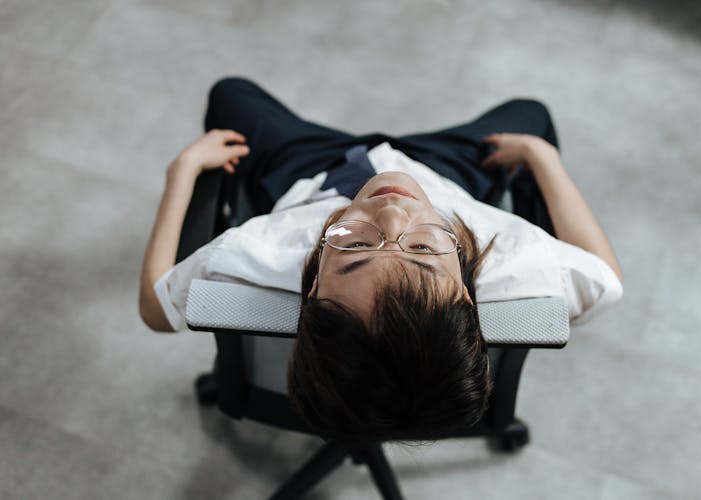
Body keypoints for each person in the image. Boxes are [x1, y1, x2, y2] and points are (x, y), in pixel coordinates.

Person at [138, 77, 623, 443]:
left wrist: (181, 173)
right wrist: (542, 159)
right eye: (423, 248)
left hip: (312, 177)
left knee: (230, 94)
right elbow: (605, 277)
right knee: (531, 114)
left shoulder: (257, 251)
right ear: (464, 292)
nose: (391, 212)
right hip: (439, 175)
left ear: (313, 290)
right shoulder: (518, 262)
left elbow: (155, 310)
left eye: (351, 246)